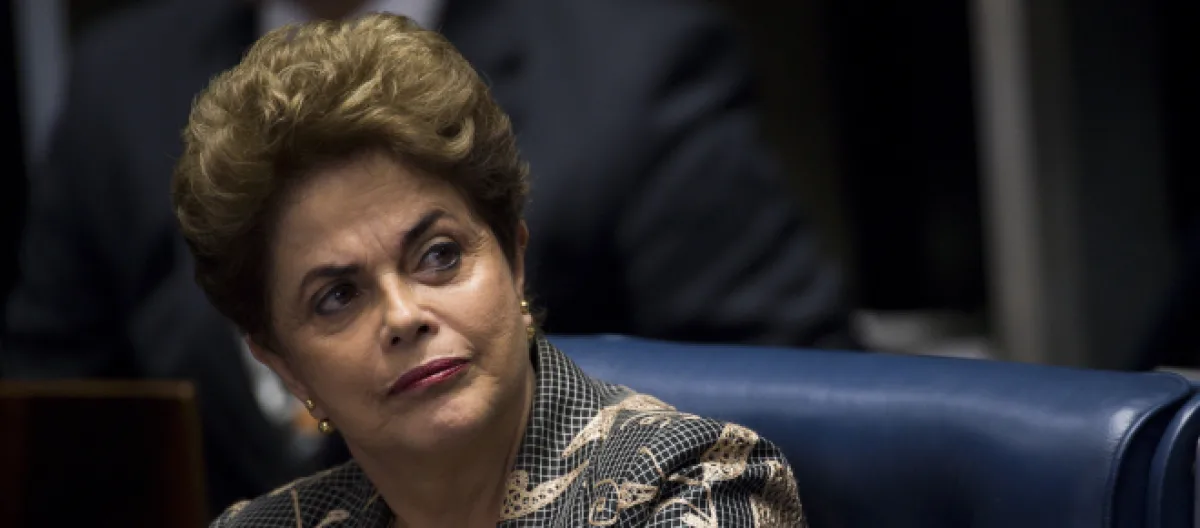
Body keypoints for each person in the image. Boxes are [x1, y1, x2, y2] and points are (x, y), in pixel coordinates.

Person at [5, 0, 850, 514]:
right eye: (336, 297)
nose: (404, 315)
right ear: (280, 362)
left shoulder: (696, 491)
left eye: (440, 256)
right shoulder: (267, 524)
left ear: (515, 259)